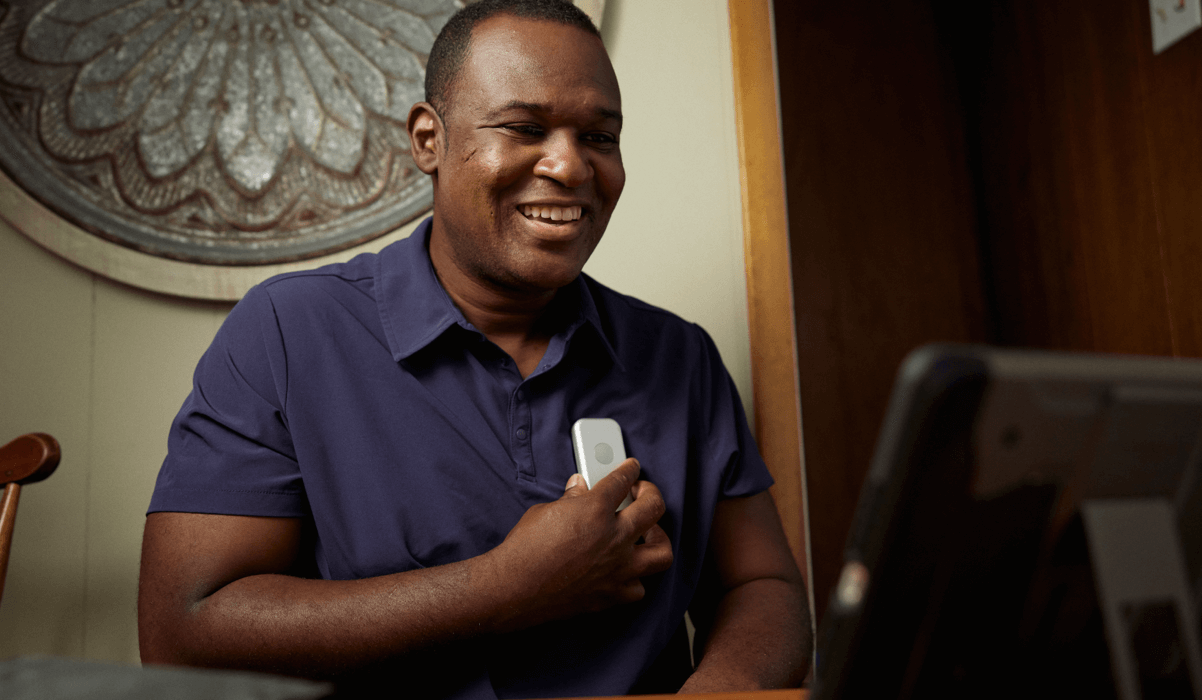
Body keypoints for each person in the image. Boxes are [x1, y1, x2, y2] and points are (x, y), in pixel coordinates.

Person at [137, 1, 811, 696]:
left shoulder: (679, 356)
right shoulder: (288, 332)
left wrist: (717, 693)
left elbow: (764, 586)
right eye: (525, 128)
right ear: (429, 139)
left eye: (600, 137)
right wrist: (503, 587)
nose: (570, 166)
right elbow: (182, 637)